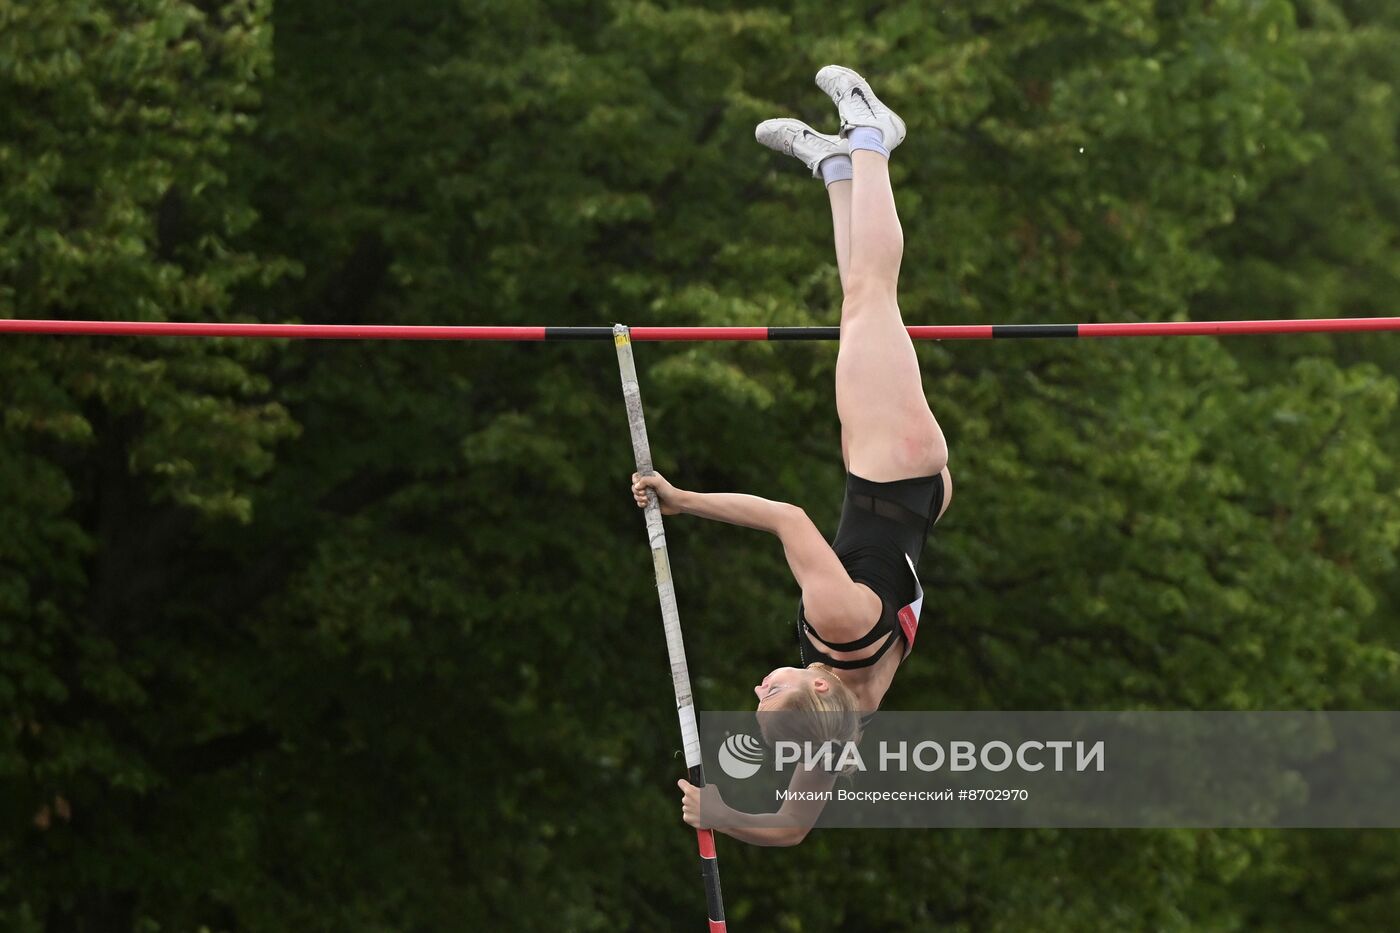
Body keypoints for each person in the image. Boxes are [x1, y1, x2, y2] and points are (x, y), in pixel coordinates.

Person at [629, 65, 952, 846]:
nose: (758, 682)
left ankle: (835, 170)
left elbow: (791, 827)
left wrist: (720, 813)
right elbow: (786, 517)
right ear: (810, 681)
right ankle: (873, 134)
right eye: (769, 691)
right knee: (873, 294)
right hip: (892, 464)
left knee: (855, 301)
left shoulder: (842, 717)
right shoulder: (833, 623)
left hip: (899, 489)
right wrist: (681, 500)